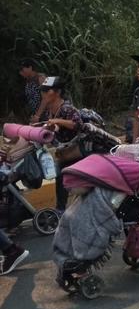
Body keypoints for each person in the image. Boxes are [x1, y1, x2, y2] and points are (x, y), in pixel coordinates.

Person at [40, 76, 82, 212]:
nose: (44, 94)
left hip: (76, 152)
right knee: (61, 181)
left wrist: (58, 121)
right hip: (64, 152)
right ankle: (61, 210)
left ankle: (64, 210)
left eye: (48, 91)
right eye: (43, 91)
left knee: (68, 181)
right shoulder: (50, 110)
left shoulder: (67, 108)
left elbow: (77, 124)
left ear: (57, 92)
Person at [18, 59, 47, 123]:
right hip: (35, 114)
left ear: (30, 68)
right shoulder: (28, 80)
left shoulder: (41, 78)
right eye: (20, 71)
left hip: (44, 114)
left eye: (22, 70)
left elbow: (46, 99)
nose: (21, 73)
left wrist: (37, 116)